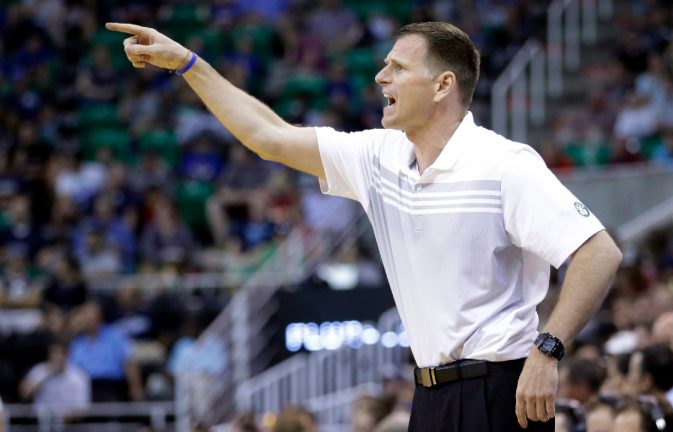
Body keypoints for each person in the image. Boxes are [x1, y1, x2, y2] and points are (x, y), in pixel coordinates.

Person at [106, 20, 623, 431]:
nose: (381, 78)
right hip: (428, 394)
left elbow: (598, 253)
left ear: (443, 85)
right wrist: (191, 65)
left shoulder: (505, 164)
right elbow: (268, 135)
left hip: (500, 389)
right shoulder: (378, 156)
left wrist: (548, 350)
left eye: (396, 68)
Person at [19, 339, 90, 416]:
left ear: (66, 355)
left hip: (68, 423)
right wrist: (46, 375)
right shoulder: (39, 370)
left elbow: (82, 409)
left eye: (59, 353)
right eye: (53, 353)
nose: (55, 357)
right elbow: (24, 393)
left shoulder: (78, 376)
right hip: (39, 421)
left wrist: (59, 420)